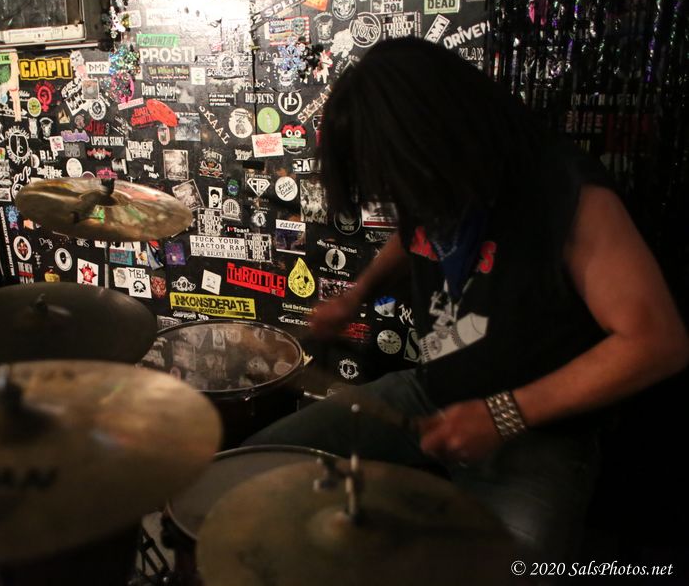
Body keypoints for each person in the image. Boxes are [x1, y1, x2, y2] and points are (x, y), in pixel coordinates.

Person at [247, 38, 689, 564]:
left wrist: (504, 414)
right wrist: (358, 294)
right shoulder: (440, 177)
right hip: (431, 391)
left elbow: (655, 342)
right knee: (255, 468)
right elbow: (415, 236)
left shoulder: (567, 194)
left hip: (539, 431)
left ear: (438, 136)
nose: (401, 198)